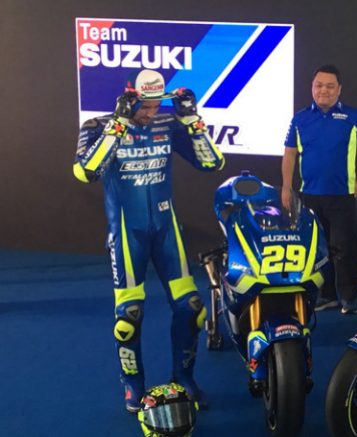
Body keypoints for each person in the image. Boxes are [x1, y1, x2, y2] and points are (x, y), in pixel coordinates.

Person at [74, 69, 225, 412]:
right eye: (144, 106)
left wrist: (192, 121)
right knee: (128, 318)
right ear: (128, 98)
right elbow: (85, 171)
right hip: (128, 234)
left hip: (166, 229)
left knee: (192, 309)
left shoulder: (167, 124)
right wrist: (119, 124)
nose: (150, 113)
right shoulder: (97, 126)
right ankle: (133, 386)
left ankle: (183, 379)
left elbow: (212, 163)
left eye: (156, 106)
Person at [281, 64, 357, 314]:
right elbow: (289, 154)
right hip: (309, 196)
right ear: (312, 87)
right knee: (317, 250)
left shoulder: (353, 116)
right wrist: (286, 187)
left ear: (339, 89)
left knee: (344, 248)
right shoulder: (300, 118)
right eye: (319, 85)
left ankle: (348, 298)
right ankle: (327, 296)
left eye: (330, 86)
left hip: (342, 195)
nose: (324, 90)